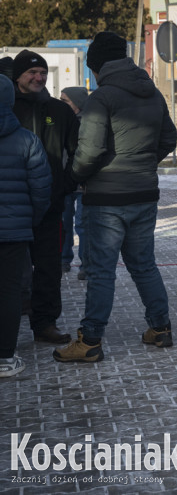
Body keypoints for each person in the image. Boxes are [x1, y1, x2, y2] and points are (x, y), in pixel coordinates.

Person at [54, 32, 177, 363]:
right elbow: (169, 138)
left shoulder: (101, 98)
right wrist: (143, 164)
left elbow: (89, 151)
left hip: (107, 198)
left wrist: (73, 177)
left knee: (101, 270)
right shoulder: (153, 93)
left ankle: (90, 338)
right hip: (144, 193)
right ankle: (160, 327)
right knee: (144, 265)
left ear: (97, 66)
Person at [11, 49, 78, 346]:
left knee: (49, 268)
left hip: (50, 205)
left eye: (42, 73)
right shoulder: (7, 109)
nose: (38, 77)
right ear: (17, 78)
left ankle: (45, 324)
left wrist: (66, 183)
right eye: (31, 73)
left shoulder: (59, 111)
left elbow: (78, 151)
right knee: (10, 272)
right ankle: (8, 329)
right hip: (12, 206)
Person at [0, 75, 51, 377]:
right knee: (9, 293)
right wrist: (28, 221)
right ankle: (5, 358)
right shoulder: (27, 140)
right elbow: (41, 190)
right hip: (14, 232)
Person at [59, 86, 89, 279]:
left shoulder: (90, 122)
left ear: (77, 103)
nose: (61, 104)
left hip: (84, 181)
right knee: (64, 223)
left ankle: (86, 264)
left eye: (65, 101)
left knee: (83, 224)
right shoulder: (61, 119)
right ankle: (63, 260)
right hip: (64, 180)